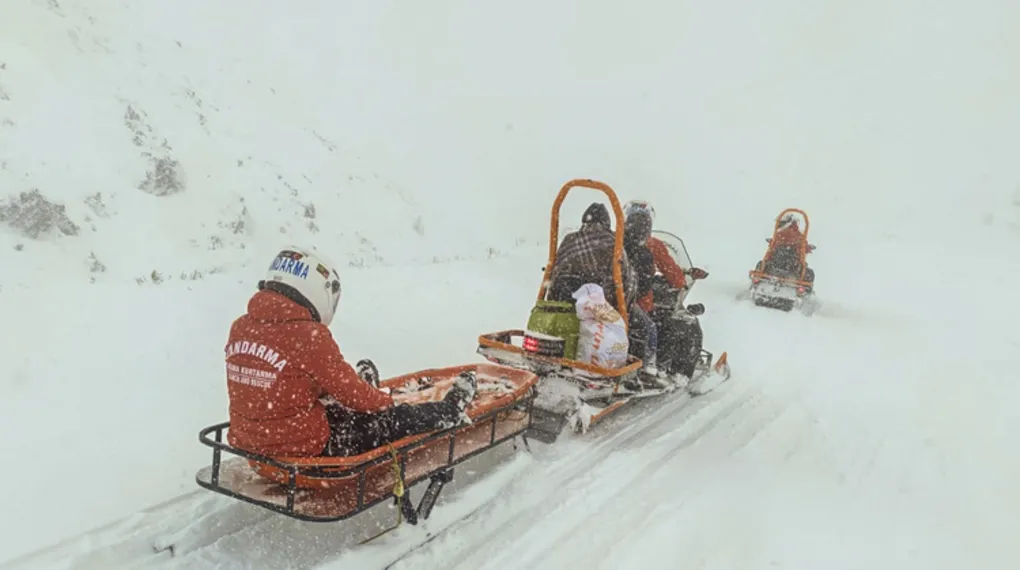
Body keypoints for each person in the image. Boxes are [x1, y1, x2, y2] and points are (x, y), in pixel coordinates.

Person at [224, 245, 477, 458]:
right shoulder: (307, 335)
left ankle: (365, 391)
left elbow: (287, 381)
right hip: (304, 450)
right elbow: (355, 396)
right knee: (391, 421)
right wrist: (386, 403)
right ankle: (450, 410)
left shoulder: (241, 327)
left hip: (252, 445)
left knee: (337, 403)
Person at [547, 202, 638, 311]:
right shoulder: (614, 243)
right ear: (607, 223)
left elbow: (556, 272)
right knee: (648, 327)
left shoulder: (569, 241)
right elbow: (627, 282)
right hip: (602, 310)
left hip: (563, 306)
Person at [762, 213, 815, 284]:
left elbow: (777, 243)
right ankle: (805, 290)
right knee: (808, 272)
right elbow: (802, 245)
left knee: (762, 263)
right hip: (792, 268)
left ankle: (761, 277)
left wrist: (772, 242)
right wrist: (808, 248)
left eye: (780, 223)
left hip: (774, 264)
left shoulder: (780, 234)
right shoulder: (798, 235)